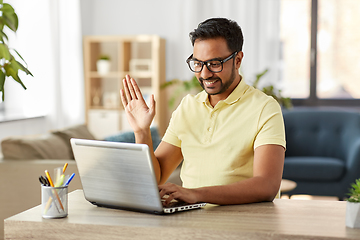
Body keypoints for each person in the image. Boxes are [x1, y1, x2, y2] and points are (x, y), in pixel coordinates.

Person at [120, 18, 286, 206]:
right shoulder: (187, 107)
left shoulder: (264, 108)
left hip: (242, 222)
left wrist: (196, 194)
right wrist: (142, 131)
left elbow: (267, 185)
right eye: (198, 63)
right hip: (190, 220)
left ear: (238, 60)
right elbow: (156, 177)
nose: (204, 74)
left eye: (215, 63)